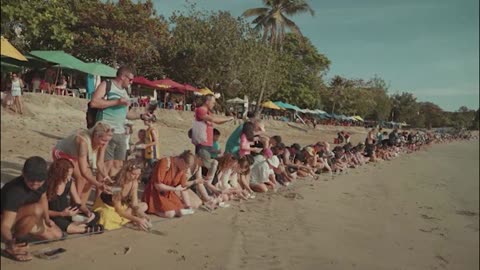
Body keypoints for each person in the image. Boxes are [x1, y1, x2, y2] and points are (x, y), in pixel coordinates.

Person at [90, 66, 152, 178]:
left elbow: (126, 114)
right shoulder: (107, 85)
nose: (131, 82)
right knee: (105, 165)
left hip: (121, 133)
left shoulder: (125, 92)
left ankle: (112, 191)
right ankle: (100, 192)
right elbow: (94, 103)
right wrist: (117, 101)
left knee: (119, 165)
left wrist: (141, 116)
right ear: (122, 76)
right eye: (130, 79)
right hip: (105, 131)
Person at [1, 157, 63, 261]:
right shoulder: (14, 191)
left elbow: (43, 197)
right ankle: (16, 241)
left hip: (25, 215)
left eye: (39, 180)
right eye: (30, 180)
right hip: (5, 220)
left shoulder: (44, 182)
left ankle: (23, 232)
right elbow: (5, 225)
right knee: (37, 209)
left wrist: (47, 219)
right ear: (23, 174)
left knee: (56, 235)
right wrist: (9, 242)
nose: (35, 184)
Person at [52, 122, 114, 206]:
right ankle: (74, 205)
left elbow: (100, 162)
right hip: (63, 152)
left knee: (90, 180)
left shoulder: (103, 142)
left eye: (107, 141)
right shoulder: (83, 142)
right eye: (103, 140)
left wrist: (106, 176)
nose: (105, 143)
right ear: (95, 135)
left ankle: (81, 206)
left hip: (76, 156)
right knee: (81, 178)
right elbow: (83, 172)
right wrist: (98, 184)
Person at [46, 159, 103, 234]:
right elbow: (43, 212)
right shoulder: (46, 185)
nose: (69, 178)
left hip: (68, 215)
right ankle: (83, 229)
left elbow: (78, 202)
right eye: (67, 175)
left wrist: (87, 212)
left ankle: (73, 227)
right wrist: (62, 214)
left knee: (95, 215)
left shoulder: (69, 183)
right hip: (54, 216)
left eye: (70, 175)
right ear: (58, 174)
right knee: (58, 222)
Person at [93, 160, 151, 231]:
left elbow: (135, 204)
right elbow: (119, 210)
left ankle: (127, 217)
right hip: (107, 207)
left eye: (138, 174)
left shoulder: (134, 182)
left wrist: (142, 215)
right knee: (106, 217)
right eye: (133, 174)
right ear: (125, 172)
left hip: (121, 206)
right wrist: (137, 219)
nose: (136, 177)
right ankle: (128, 217)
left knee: (144, 205)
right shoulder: (117, 185)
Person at [191, 94, 233, 185]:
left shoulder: (208, 112)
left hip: (208, 144)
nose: (214, 104)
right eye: (213, 102)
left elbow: (217, 122)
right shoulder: (201, 110)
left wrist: (227, 119)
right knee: (207, 165)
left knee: (202, 167)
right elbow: (215, 120)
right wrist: (228, 118)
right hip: (202, 143)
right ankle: (207, 185)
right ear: (207, 101)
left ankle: (205, 185)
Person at [143, 151, 198, 218]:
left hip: (168, 194)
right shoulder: (165, 162)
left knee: (182, 209)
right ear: (182, 161)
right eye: (186, 167)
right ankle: (153, 209)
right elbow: (158, 186)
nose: (186, 169)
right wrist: (174, 189)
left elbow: (183, 188)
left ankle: (167, 209)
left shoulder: (181, 169)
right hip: (154, 193)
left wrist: (188, 205)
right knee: (170, 214)